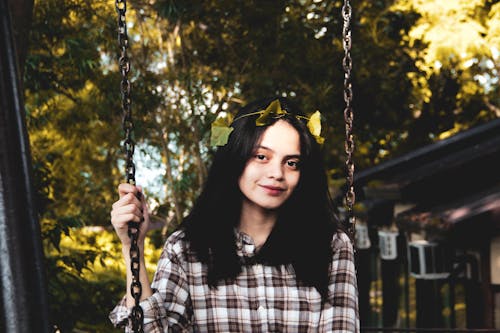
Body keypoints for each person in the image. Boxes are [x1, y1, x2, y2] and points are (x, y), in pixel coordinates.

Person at [109, 97, 359, 332]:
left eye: (291, 163)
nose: (277, 173)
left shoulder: (331, 246)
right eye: (261, 156)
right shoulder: (186, 248)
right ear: (236, 158)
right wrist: (133, 247)